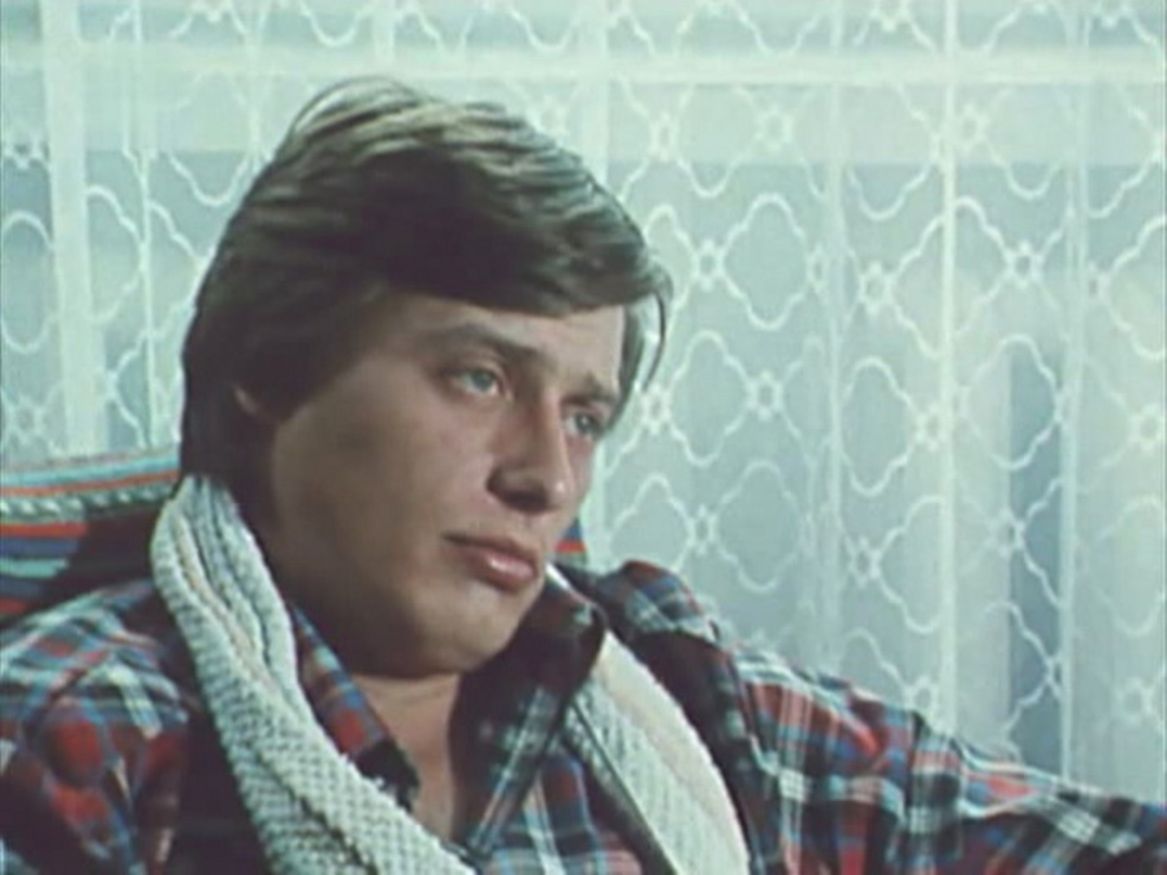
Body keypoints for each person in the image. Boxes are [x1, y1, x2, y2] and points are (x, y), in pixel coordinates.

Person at [0, 78, 1163, 874]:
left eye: (586, 415)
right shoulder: (88, 729)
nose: (548, 477)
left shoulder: (668, 684)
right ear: (269, 367)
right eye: (478, 377)